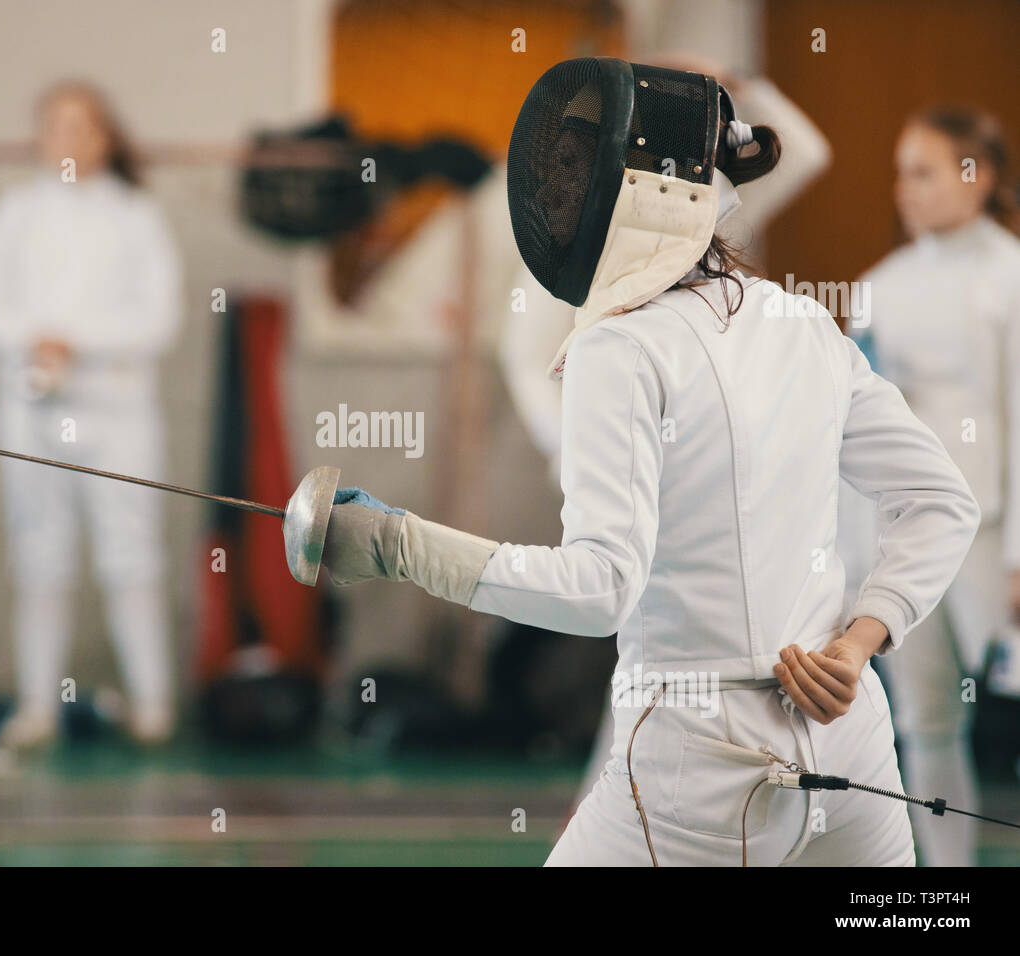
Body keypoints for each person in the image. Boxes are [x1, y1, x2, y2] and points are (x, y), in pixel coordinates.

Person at [320, 58, 980, 865]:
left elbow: (600, 590)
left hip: (699, 766)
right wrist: (858, 643)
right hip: (850, 747)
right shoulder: (805, 321)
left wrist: (399, 547)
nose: (557, 201)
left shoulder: (618, 348)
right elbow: (943, 500)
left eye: (573, 178)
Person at [496, 56, 834, 809]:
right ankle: (627, 817)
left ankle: (647, 814)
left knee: (683, 656)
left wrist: (742, 80)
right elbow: (519, 352)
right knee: (646, 651)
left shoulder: (702, 198)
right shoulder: (581, 214)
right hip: (622, 456)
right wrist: (570, 449)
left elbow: (805, 152)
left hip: (717, 461)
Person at [0, 81, 184, 750]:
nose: (69, 139)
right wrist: (36, 342)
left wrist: (78, 340)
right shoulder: (14, 213)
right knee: (40, 554)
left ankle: (153, 704)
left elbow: (159, 317)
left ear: (104, 137)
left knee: (131, 553)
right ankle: (38, 706)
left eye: (83, 126)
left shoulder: (136, 217)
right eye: (56, 126)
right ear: (40, 137)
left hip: (118, 413)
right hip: (33, 410)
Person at [856, 106, 1020, 866]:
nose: (904, 189)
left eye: (923, 171)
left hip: (992, 536)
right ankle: (947, 883)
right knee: (925, 720)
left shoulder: (1011, 276)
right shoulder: (879, 287)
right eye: (900, 172)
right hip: (906, 538)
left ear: (975, 176)